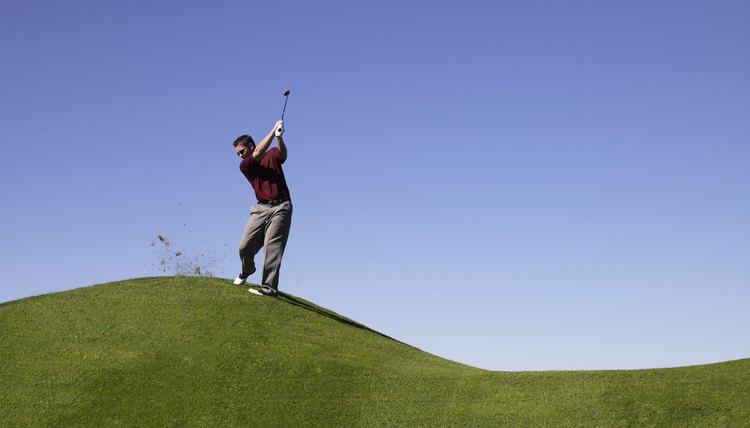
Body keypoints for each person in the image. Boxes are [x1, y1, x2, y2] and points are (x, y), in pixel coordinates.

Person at [232, 120, 292, 296]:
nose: (240, 155)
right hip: (260, 209)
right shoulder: (245, 165)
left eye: (242, 151)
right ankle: (247, 269)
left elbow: (282, 155)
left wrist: (279, 138)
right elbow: (259, 152)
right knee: (244, 247)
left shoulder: (272, 154)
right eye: (238, 154)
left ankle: (269, 288)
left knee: (272, 247)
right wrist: (274, 131)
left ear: (250, 146)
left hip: (282, 207)